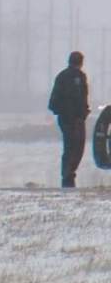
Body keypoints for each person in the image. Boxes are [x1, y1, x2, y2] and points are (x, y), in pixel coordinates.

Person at [48, 50, 90, 188]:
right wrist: (80, 112)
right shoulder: (78, 77)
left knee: (71, 147)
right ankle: (68, 176)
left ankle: (68, 175)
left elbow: (53, 101)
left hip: (70, 118)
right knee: (76, 148)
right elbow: (82, 98)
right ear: (80, 63)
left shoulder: (63, 76)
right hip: (73, 119)